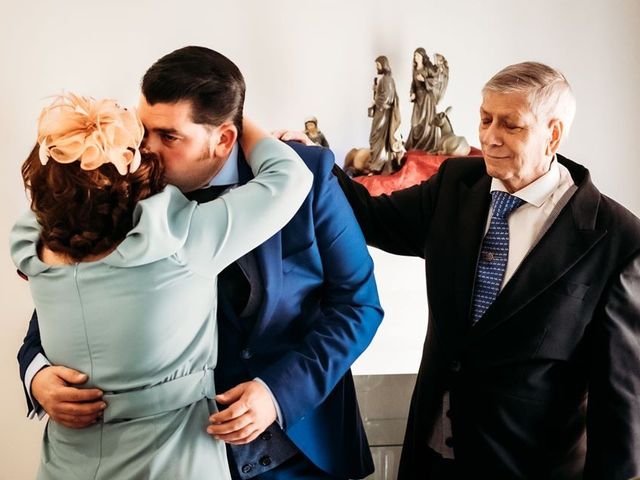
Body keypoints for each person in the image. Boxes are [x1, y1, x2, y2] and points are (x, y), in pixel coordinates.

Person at [18, 46, 383, 480]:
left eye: (168, 136)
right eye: (143, 131)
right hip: (168, 458)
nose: (146, 151)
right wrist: (37, 374)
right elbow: (67, 293)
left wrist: (277, 395)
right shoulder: (122, 183)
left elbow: (358, 306)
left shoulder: (307, 173)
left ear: (224, 138)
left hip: (293, 448)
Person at [331, 62, 640, 478]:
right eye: (485, 118)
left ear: (553, 134)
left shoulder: (619, 239)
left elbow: (618, 404)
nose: (490, 137)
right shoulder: (454, 187)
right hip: (430, 462)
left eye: (511, 125)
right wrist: (304, 159)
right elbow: (365, 214)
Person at [367, 55, 402, 174]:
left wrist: (375, 100)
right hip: (380, 112)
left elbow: (387, 98)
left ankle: (378, 166)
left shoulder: (387, 80)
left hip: (383, 113)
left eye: (378, 65)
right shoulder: (383, 79)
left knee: (377, 138)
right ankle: (376, 164)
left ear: (383, 65)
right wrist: (376, 90)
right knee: (375, 138)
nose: (377, 67)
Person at [404, 47, 438, 153]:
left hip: (427, 99)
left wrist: (424, 80)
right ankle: (415, 145)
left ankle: (427, 145)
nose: (415, 57)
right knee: (415, 122)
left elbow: (436, 80)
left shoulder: (428, 68)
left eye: (418, 55)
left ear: (423, 57)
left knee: (426, 121)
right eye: (415, 55)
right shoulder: (415, 69)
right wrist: (412, 93)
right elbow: (413, 83)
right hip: (418, 99)